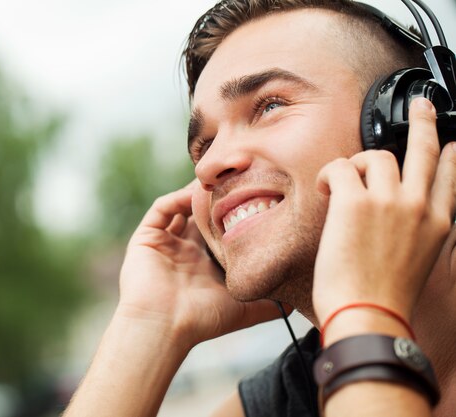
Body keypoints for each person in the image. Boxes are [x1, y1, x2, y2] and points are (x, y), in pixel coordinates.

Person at [63, 1, 456, 416]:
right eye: (204, 145)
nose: (209, 166)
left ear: (406, 123)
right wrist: (150, 324)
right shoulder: (283, 399)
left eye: (269, 106)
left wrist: (366, 315)